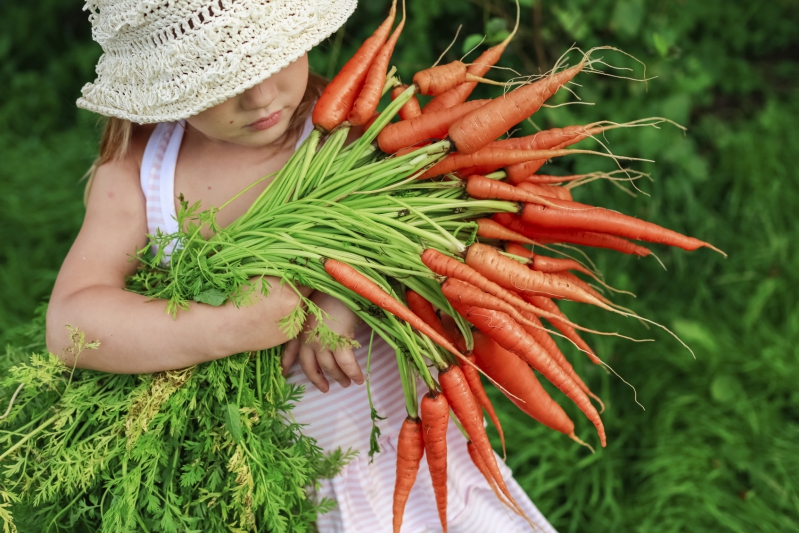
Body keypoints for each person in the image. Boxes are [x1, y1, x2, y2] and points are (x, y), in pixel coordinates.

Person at [45, 0, 556, 531]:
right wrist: (225, 328)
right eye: (224, 76)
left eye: (274, 56)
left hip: (411, 461)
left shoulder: (356, 129)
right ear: (167, 83)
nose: (260, 95)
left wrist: (348, 294)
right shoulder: (141, 173)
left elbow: (432, 233)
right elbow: (69, 324)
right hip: (263, 488)